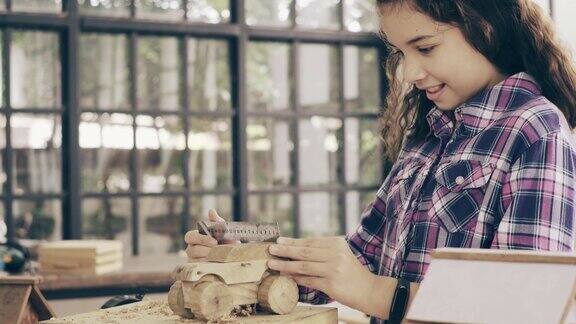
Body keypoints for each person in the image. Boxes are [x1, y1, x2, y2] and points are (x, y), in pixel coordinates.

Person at [185, 0, 576, 322]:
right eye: (400, 53)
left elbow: (524, 308)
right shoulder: (428, 136)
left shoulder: (536, 132)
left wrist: (372, 292)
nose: (409, 73)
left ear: (486, 26)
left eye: (425, 48)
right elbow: (359, 258)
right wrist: (244, 254)